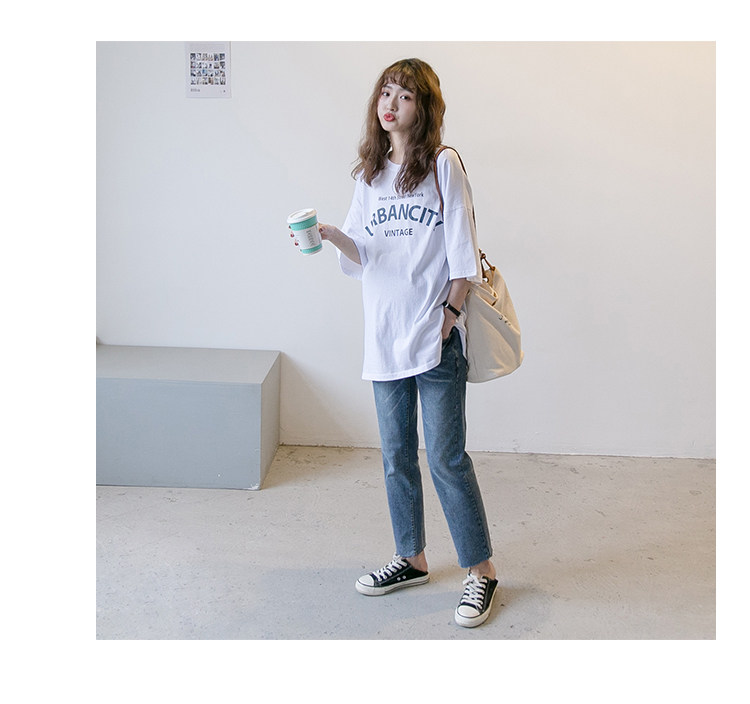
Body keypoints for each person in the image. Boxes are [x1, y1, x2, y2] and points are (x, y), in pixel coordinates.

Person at [291, 58, 498, 628]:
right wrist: (331, 235)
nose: (391, 104)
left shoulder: (443, 166)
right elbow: (365, 252)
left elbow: (463, 252)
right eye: (386, 92)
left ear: (423, 108)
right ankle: (412, 558)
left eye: (405, 96)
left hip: (433, 337)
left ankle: (481, 572)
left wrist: (449, 316)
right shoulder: (369, 175)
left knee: (447, 459)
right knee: (396, 458)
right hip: (384, 336)